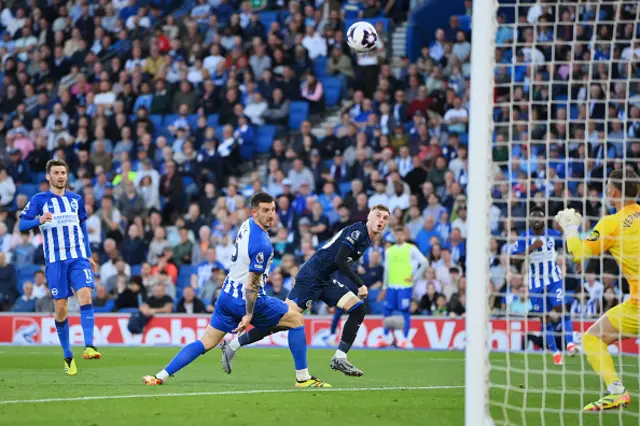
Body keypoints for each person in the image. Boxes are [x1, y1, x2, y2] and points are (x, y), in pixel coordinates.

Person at [143, 193, 330, 388]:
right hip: (246, 299)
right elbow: (252, 284)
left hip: (226, 295)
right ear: (254, 212)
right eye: (265, 211)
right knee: (296, 319)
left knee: (206, 341)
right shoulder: (262, 245)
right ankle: (303, 378)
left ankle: (159, 376)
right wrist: (248, 314)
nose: (271, 215)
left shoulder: (247, 224)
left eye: (273, 210)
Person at [223, 204, 390, 376]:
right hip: (311, 277)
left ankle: (340, 358)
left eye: (385, 218)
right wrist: (360, 284)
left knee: (358, 309)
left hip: (325, 279)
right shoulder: (358, 231)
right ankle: (233, 345)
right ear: (369, 215)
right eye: (378, 215)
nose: (381, 221)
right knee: (281, 321)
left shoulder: (367, 238)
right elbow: (340, 260)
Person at [555, 168, 640, 411]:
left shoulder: (611, 223)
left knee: (592, 338)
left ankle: (616, 391)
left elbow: (578, 256)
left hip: (638, 304)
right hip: (633, 304)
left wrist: (571, 230)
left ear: (613, 191)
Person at [18, 159, 100, 376]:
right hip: (55, 262)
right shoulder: (39, 200)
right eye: (56, 172)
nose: (61, 176)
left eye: (63, 172)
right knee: (61, 309)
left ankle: (90, 346)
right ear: (49, 177)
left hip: (77, 258)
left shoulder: (76, 200)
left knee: (85, 295)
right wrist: (39, 220)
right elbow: (21, 224)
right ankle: (67, 355)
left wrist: (89, 255)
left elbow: (82, 227)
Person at [511, 207, 576, 366]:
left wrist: (570, 229)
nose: (537, 220)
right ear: (530, 221)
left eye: (540, 217)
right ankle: (555, 353)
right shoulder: (523, 237)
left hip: (554, 279)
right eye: (534, 217)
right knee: (544, 319)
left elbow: (568, 244)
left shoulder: (553, 235)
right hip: (535, 285)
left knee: (561, 309)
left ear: (544, 219)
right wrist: (531, 248)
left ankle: (571, 344)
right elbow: (514, 260)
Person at [376, 226, 428, 348]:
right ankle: (386, 337)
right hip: (392, 286)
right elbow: (387, 270)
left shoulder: (411, 249)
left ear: (404, 235)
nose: (398, 236)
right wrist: (384, 287)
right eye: (396, 234)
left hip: (405, 286)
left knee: (404, 311)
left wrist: (414, 277)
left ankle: (404, 339)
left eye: (401, 234)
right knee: (387, 310)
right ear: (394, 235)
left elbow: (424, 262)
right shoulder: (389, 251)